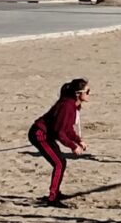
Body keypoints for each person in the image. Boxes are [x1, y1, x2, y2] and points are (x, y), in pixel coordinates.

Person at [29, 78, 89, 206]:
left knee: (61, 162)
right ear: (78, 93)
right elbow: (60, 133)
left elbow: (68, 129)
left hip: (48, 135)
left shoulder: (72, 105)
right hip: (39, 134)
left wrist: (79, 140)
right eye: (87, 91)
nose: (89, 94)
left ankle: (56, 192)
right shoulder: (67, 106)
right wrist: (73, 146)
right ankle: (52, 198)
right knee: (59, 163)